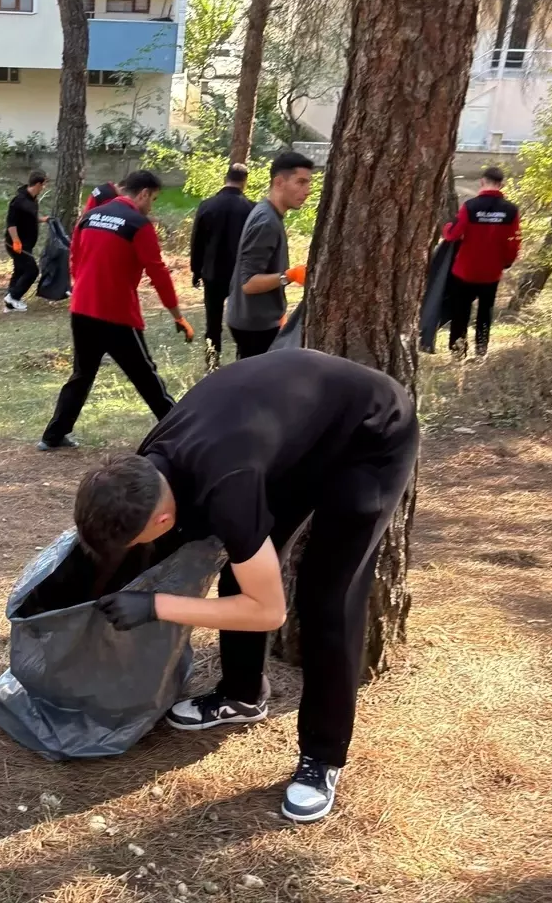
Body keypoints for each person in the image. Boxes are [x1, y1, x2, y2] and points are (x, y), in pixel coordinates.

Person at [75, 350, 419, 824]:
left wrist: (156, 605)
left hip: (369, 434)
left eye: (139, 540)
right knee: (246, 562)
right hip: (293, 434)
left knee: (327, 598)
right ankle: (241, 693)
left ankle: (324, 756)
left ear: (161, 519)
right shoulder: (142, 467)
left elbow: (268, 612)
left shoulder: (228, 488)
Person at [38, 170, 194, 451]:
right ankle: (181, 432)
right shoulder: (137, 223)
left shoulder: (90, 216)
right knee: (146, 376)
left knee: (82, 375)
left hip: (82, 309)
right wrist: (177, 315)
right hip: (116, 314)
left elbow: (75, 254)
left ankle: (52, 435)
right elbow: (158, 273)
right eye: (153, 199)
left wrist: (84, 286)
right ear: (143, 193)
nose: (152, 206)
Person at [226, 152, 314, 359]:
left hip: (256, 319)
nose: (307, 191)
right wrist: (289, 276)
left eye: (308, 183)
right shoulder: (266, 221)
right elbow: (248, 283)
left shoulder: (269, 213)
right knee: (259, 387)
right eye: (300, 182)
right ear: (279, 182)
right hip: (254, 325)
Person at [441, 166, 520, 358]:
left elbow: (452, 235)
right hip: (491, 272)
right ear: (501, 185)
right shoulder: (511, 210)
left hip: (465, 271)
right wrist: (507, 262)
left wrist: (447, 226)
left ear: (482, 182)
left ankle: (458, 353)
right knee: (485, 313)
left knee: (461, 313)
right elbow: (515, 240)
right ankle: (481, 352)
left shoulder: (470, 207)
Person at [189, 163, 253, 367]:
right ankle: (243, 364)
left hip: (212, 273)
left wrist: (196, 270)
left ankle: (212, 364)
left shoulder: (207, 205)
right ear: (245, 181)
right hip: (240, 275)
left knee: (212, 324)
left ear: (226, 178)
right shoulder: (251, 207)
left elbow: (197, 241)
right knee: (243, 324)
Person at [4, 171, 48, 312]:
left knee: (19, 270)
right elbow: (11, 223)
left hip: (27, 243)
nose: (44, 188)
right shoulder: (19, 201)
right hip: (16, 243)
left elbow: (28, 218)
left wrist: (43, 219)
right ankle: (14, 297)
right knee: (32, 271)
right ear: (38, 184)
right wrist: (16, 241)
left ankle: (10, 304)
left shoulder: (32, 200)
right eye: (44, 185)